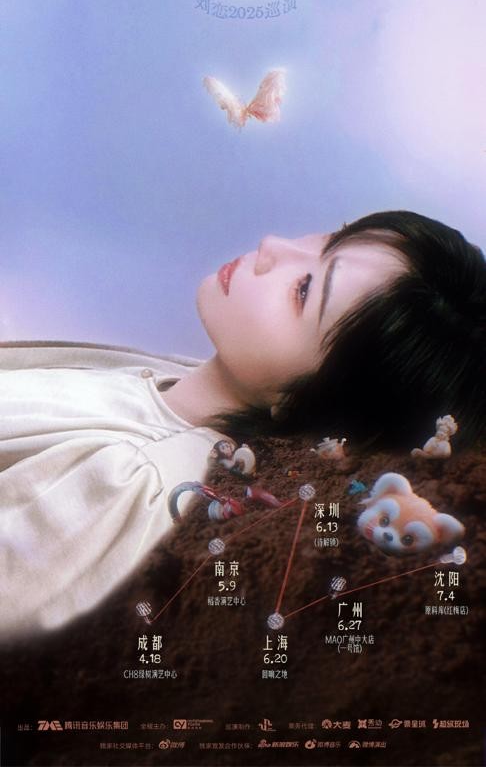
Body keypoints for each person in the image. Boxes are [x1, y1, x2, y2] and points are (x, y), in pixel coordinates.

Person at [1, 210, 484, 637]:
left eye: (305, 289)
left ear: (316, 402)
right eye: (328, 238)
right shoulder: (172, 381)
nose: (272, 245)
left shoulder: (127, 485)